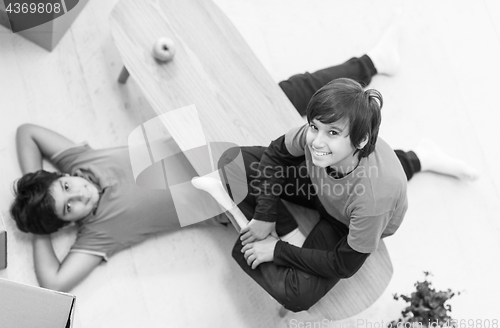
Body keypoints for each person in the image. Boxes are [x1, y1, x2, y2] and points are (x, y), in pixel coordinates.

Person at [9, 21, 477, 294]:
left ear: (63, 174)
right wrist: (39, 227)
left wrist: (36, 185)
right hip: (237, 185)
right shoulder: (98, 232)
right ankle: (418, 157)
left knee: (298, 91)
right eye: (69, 208)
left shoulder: (79, 162)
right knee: (331, 178)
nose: (78, 194)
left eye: (66, 187)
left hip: (219, 130)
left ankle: (372, 61)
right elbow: (53, 282)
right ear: (71, 223)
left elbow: (26, 131)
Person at [216, 25, 478, 312]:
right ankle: (287, 231)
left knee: (297, 296)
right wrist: (266, 215)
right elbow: (276, 154)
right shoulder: (315, 138)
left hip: (344, 222)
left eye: (332, 133)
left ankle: (422, 158)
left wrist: (277, 251)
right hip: (319, 185)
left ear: (360, 139)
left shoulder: (373, 199)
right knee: (232, 163)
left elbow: (343, 263)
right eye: (315, 126)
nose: (316, 140)